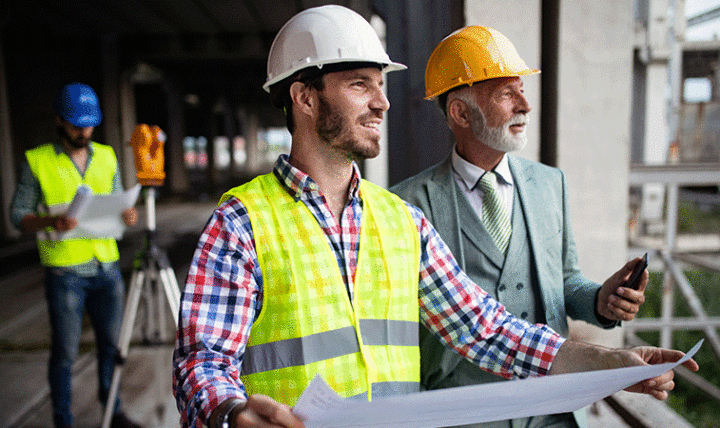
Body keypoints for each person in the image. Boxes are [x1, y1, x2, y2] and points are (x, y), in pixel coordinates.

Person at [172, 7, 697, 428]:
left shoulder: (402, 222)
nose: (383, 103)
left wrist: (609, 366)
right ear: (305, 99)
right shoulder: (242, 222)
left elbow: (489, 330)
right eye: (360, 84)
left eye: (381, 85)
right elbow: (201, 364)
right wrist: (232, 412)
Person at [390, 26, 651, 428]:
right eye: (506, 94)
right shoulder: (405, 205)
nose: (525, 105)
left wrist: (599, 300)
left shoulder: (550, 184)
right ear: (460, 113)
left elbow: (563, 280)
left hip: (555, 411)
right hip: (462, 416)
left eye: (522, 91)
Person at [10, 83, 142, 428]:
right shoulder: (36, 161)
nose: (83, 131)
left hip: (106, 266)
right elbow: (17, 216)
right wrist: (53, 220)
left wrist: (127, 215)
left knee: (111, 349)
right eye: (75, 124)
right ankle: (63, 420)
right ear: (58, 121)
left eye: (88, 125)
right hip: (65, 272)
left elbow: (116, 202)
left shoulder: (108, 156)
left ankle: (113, 412)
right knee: (66, 355)